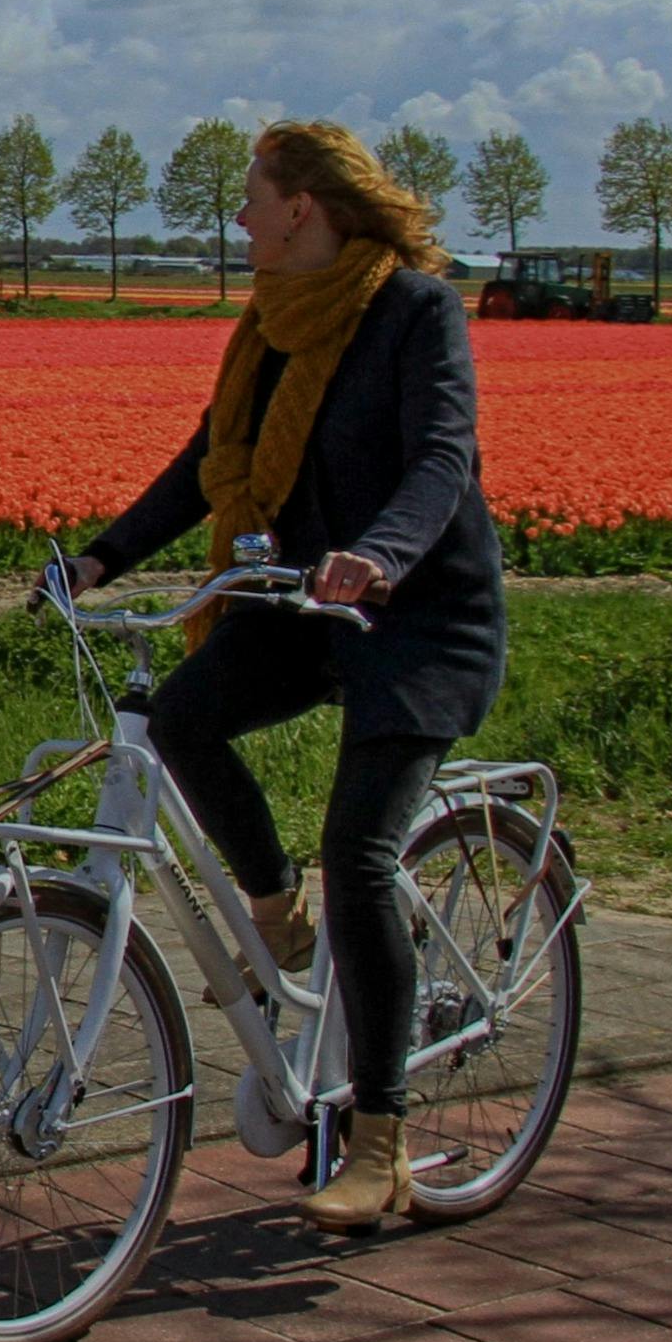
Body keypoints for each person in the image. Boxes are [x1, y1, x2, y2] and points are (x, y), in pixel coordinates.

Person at [60, 121, 505, 1235]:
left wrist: (384, 556)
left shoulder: (413, 310)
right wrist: (105, 555)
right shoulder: (265, 326)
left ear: (303, 204)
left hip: (415, 619)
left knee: (360, 848)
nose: (241, 218)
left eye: (252, 197)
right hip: (303, 607)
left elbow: (441, 457)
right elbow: (209, 457)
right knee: (180, 721)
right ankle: (274, 910)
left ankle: (382, 1140)